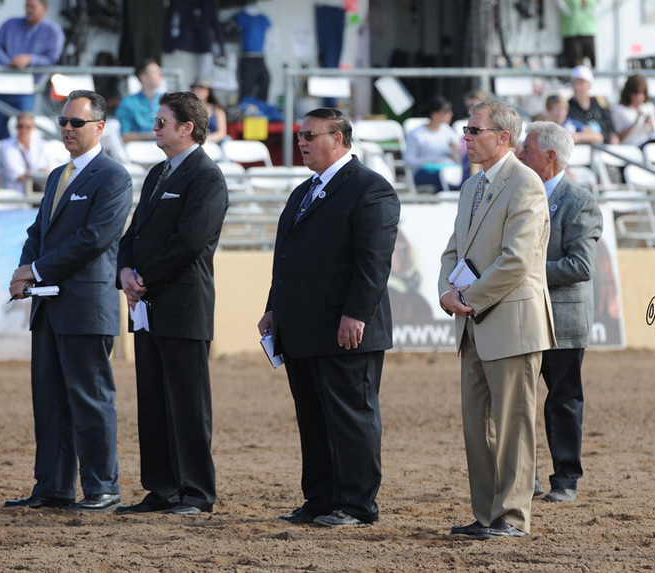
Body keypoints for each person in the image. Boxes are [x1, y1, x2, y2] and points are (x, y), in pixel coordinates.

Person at [258, 108, 400, 528]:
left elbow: (373, 263)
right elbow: (287, 257)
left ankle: (357, 504)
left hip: (346, 329)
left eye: (311, 136)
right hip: (302, 327)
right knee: (314, 416)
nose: (302, 142)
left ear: (338, 139)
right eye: (301, 135)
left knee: (351, 415)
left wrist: (356, 313)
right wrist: (273, 308)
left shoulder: (370, 189)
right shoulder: (304, 190)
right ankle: (320, 497)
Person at [4, 90, 132, 513]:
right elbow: (37, 232)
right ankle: (54, 486)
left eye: (76, 123)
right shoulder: (59, 174)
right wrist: (25, 270)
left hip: (85, 305)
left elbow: (94, 239)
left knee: (90, 398)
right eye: (62, 122)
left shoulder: (114, 177)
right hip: (49, 304)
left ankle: (102, 487)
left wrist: (36, 271)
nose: (67, 129)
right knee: (51, 400)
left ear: (99, 127)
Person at [438, 100, 556, 540]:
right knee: (477, 426)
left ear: (502, 137)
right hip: (473, 321)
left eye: (473, 130)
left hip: (510, 321)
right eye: (466, 130)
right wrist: (447, 293)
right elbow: (453, 249)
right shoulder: (472, 187)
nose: (465, 137)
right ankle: (488, 513)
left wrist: (467, 296)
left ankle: (512, 516)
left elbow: (517, 260)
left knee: (513, 426)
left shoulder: (526, 184)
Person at [116, 91, 228, 517]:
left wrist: (143, 279)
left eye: (162, 121)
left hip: (182, 305)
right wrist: (124, 272)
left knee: (187, 403)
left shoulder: (206, 176)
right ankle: (161, 488)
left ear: (187, 127)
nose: (155, 127)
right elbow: (132, 236)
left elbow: (190, 242)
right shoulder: (157, 173)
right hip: (147, 303)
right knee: (153, 401)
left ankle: (196, 492)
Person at [516, 121, 603, 503]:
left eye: (527, 151)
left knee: (563, 400)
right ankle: (525, 474)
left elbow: (581, 266)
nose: (519, 156)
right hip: (521, 315)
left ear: (550, 157)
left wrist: (521, 274)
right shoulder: (518, 194)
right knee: (515, 399)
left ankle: (565, 478)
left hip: (561, 319)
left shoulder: (579, 200)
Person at [0, 0, 65, 140]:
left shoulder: (53, 31)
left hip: (27, 88)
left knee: (24, 128)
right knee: (1, 129)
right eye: (27, 6)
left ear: (44, 8)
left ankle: (23, 159)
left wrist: (30, 59)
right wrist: (8, 62)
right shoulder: (10, 24)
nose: (29, 10)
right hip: (3, 85)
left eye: (33, 6)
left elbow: (52, 58)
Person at [405, 95, 461, 193]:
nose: (450, 114)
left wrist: (455, 151)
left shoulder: (449, 132)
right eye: (445, 112)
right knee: (444, 177)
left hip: (447, 169)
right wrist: (429, 161)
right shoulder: (417, 134)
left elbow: (456, 160)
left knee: (459, 175)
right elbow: (408, 160)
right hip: (424, 172)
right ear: (435, 114)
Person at [0, 111, 63, 192]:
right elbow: (14, 174)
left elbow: (52, 169)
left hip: (41, 190)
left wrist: (37, 173)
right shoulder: (6, 145)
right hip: (17, 191)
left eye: (27, 127)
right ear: (16, 127)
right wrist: (39, 173)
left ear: (33, 128)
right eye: (20, 126)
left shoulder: (43, 145)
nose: (24, 130)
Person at [567, 66, 617, 144]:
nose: (577, 87)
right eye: (575, 83)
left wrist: (613, 137)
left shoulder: (599, 104)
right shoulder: (568, 107)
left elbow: (609, 127)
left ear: (589, 86)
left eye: (581, 83)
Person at [116, 59, 164, 142]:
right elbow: (124, 136)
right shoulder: (128, 103)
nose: (160, 75)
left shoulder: (167, 101)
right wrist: (150, 135)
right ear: (143, 77)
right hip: (139, 150)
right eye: (154, 72)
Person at [234, 1, 272, 103]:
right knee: (247, 86)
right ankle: (244, 108)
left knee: (265, 81)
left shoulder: (263, 18)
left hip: (260, 57)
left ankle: (260, 107)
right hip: (247, 57)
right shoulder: (241, 17)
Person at [612, 75, 655, 146]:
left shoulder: (649, 107)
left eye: (643, 93)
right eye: (636, 93)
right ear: (629, 93)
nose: (640, 96)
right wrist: (635, 123)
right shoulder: (620, 110)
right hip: (631, 146)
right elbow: (617, 137)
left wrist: (650, 124)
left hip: (648, 144)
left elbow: (654, 133)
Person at [557, 0, 599, 68]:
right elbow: (560, 4)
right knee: (573, 64)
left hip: (589, 31)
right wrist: (568, 13)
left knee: (592, 64)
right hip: (571, 32)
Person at [190, 77, 227, 144]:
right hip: (194, 142)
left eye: (202, 89)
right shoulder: (187, 109)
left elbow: (221, 133)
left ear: (208, 91)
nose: (198, 91)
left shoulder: (217, 110)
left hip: (214, 143)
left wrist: (207, 139)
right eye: (196, 88)